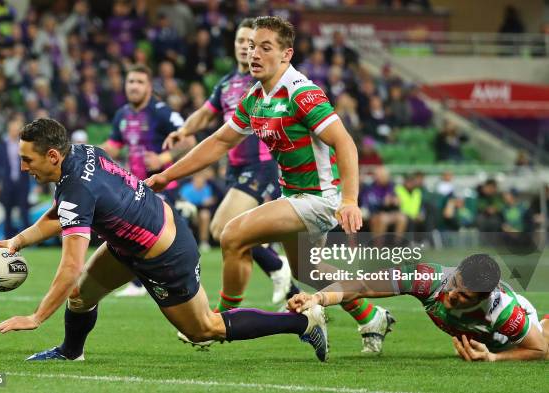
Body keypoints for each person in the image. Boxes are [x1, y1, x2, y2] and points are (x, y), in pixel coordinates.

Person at [0, 118, 329, 362]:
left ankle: (303, 321)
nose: (24, 167)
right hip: (132, 241)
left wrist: (36, 317)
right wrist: (16, 242)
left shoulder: (76, 187)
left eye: (28, 159)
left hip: (167, 255)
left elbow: (70, 265)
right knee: (80, 297)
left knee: (204, 329)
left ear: (53, 156)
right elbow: (62, 212)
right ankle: (71, 353)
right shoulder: (83, 153)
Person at [149, 16, 394, 353]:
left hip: (318, 199)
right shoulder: (256, 97)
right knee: (313, 273)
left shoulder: (302, 93)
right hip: (293, 195)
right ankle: (373, 315)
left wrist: (349, 199)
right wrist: (167, 175)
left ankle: (219, 318)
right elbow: (219, 142)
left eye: (265, 48)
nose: (254, 54)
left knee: (232, 235)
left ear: (286, 55)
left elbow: (345, 143)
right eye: (252, 47)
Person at [163, 18, 298, 307]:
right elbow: (205, 113)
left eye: (252, 44)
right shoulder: (226, 84)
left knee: (225, 228)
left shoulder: (263, 80)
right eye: (240, 42)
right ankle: (301, 299)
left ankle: (273, 269)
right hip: (235, 169)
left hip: (261, 165)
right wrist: (183, 131)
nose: (245, 48)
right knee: (228, 235)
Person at [288, 254, 549, 362]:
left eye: (464, 295)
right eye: (454, 283)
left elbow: (538, 349)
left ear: (482, 297)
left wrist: (493, 357)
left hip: (510, 340)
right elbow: (362, 286)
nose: (451, 294)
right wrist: (318, 299)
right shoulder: (428, 280)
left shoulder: (503, 311)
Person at [101, 64, 192, 297]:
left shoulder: (162, 112)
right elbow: (114, 145)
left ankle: (144, 284)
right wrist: (85, 152)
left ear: (149, 87)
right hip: (137, 186)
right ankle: (144, 282)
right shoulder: (122, 115)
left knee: (149, 237)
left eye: (139, 82)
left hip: (162, 184)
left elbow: (189, 140)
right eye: (130, 82)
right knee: (136, 236)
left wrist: (163, 157)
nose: (134, 86)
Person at [0, 113, 31, 238]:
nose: (15, 132)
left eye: (17, 130)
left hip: (22, 182)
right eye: (13, 129)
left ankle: (27, 238)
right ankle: (8, 238)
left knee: (24, 211)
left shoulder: (25, 144)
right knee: (7, 212)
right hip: (7, 183)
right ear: (9, 130)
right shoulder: (2, 145)